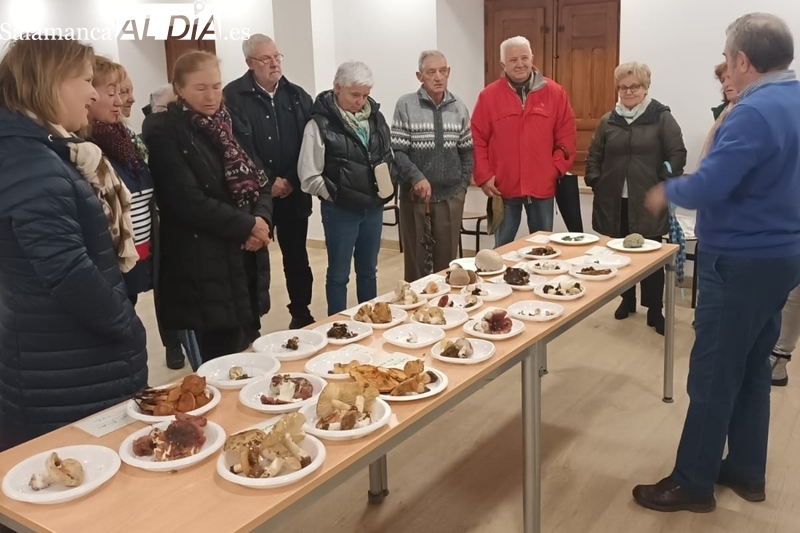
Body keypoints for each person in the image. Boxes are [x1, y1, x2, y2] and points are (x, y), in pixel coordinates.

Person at [637, 13, 800, 512]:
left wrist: (669, 189)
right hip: (781, 257)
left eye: (729, 58)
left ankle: (693, 481)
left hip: (740, 258)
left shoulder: (753, 111)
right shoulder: (793, 98)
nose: (726, 66)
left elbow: (713, 182)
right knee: (753, 365)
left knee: (712, 373)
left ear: (743, 60)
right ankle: (747, 470)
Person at [0, 38, 148, 453]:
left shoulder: (40, 150)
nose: (92, 92)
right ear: (49, 83)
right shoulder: (31, 162)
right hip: (66, 364)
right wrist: (126, 325)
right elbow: (67, 271)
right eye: (85, 80)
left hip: (65, 357)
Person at [142, 51, 273, 363]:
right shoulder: (164, 130)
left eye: (216, 86)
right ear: (179, 89)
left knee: (248, 357)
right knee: (217, 367)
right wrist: (247, 225)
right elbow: (186, 201)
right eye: (201, 88)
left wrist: (262, 219)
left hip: (245, 259)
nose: (212, 96)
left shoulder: (232, 123)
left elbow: (260, 179)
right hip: (202, 267)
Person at [584, 62, 687, 335]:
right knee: (619, 256)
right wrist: (595, 180)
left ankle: (655, 310)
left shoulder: (661, 118)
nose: (628, 92)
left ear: (645, 87)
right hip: (614, 201)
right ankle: (626, 300)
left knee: (650, 258)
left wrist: (663, 180)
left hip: (647, 200)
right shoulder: (608, 120)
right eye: (623, 87)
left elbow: (677, 154)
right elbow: (594, 155)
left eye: (634, 86)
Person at [224, 34, 315, 329]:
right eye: (266, 59)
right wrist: (267, 182)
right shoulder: (233, 97)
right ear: (250, 63)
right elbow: (238, 147)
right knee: (253, 260)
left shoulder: (297, 95)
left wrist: (289, 179)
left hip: (293, 192)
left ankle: (301, 312)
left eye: (277, 56)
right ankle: (252, 320)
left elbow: (307, 143)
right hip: (252, 197)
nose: (274, 63)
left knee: (297, 257)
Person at [298, 61, 394, 315]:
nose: (360, 101)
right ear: (337, 87)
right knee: (339, 275)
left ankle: (371, 320)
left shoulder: (376, 117)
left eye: (365, 95)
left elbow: (386, 155)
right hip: (340, 211)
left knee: (368, 272)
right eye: (355, 95)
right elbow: (308, 175)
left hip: (373, 208)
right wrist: (333, 195)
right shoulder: (319, 125)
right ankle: (337, 326)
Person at [471, 35, 576, 247]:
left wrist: (554, 169)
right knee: (501, 251)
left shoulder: (555, 93)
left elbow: (567, 135)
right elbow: (477, 139)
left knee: (543, 251)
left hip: (542, 187)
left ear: (532, 58)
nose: (520, 64)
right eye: (513, 60)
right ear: (503, 64)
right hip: (503, 188)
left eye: (524, 58)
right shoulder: (488, 96)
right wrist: (484, 176)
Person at [392, 50, 473, 282]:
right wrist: (416, 177)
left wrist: (463, 186)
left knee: (447, 266)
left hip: (450, 197)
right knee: (417, 266)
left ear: (448, 72)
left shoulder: (459, 107)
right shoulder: (406, 105)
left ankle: (447, 312)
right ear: (420, 76)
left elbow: (467, 150)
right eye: (431, 72)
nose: (438, 77)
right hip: (414, 198)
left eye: (443, 71)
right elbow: (398, 151)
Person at [700, 62, 739, 161]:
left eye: (729, 77)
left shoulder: (752, 111)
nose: (725, 84)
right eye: (723, 80)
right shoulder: (722, 113)